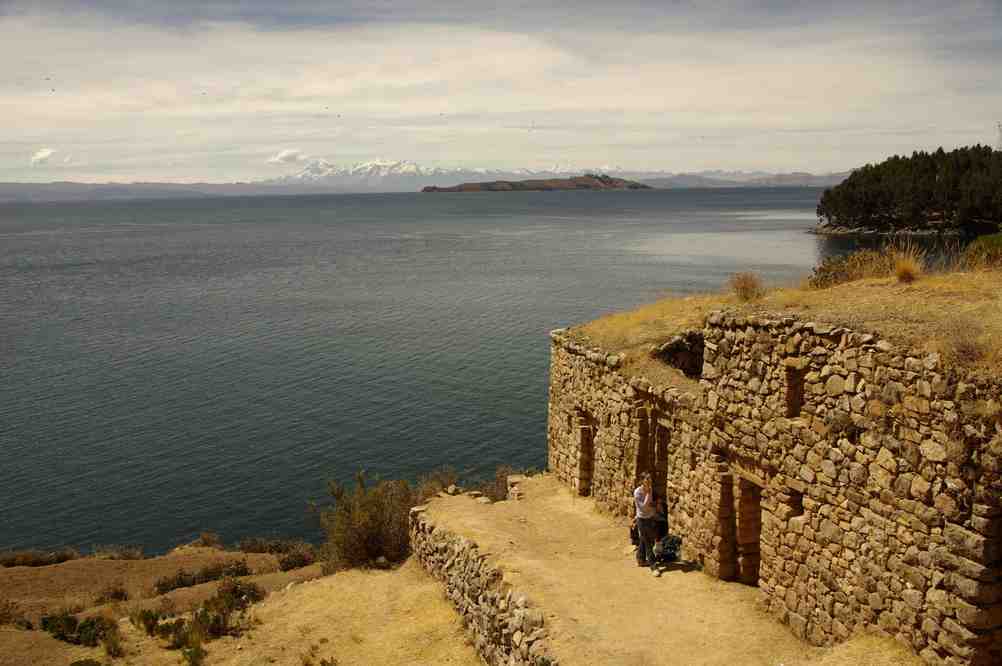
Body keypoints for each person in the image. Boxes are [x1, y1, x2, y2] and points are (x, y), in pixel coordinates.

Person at [633, 472, 657, 568]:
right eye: (647, 479)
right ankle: (653, 564)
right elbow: (643, 507)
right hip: (642, 519)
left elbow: (650, 503)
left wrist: (654, 506)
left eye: (650, 478)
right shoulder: (637, 492)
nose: (649, 480)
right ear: (642, 481)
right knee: (647, 542)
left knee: (645, 539)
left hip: (650, 517)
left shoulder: (650, 489)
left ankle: (640, 559)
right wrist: (648, 494)